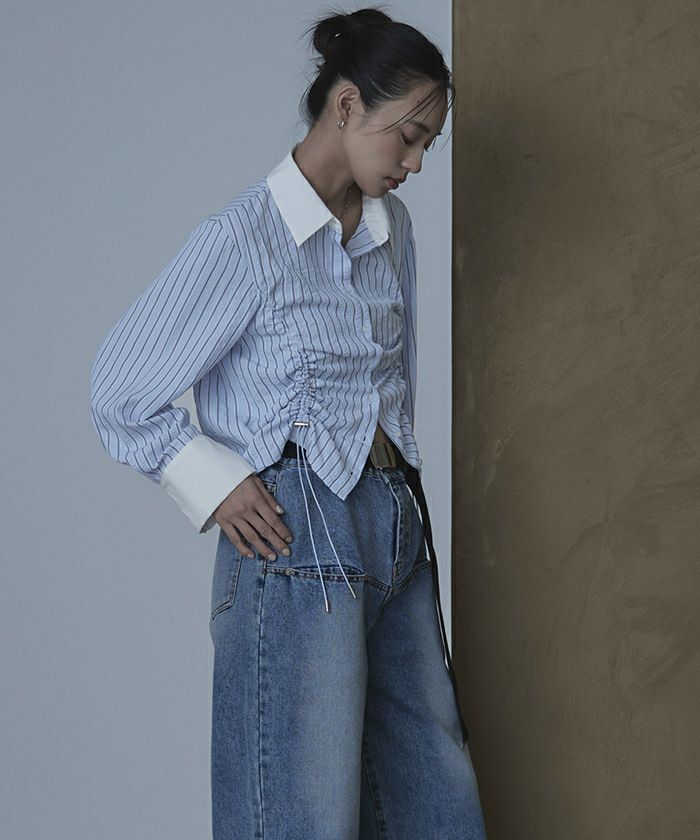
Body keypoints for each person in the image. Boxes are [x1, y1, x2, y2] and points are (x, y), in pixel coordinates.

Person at [90, 6, 487, 838]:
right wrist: (217, 481)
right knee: (302, 811)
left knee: (434, 801)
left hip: (396, 528)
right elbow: (119, 388)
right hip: (299, 533)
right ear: (346, 105)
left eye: (427, 144)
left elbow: (395, 384)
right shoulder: (245, 238)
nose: (416, 162)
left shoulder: (393, 231)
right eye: (407, 136)